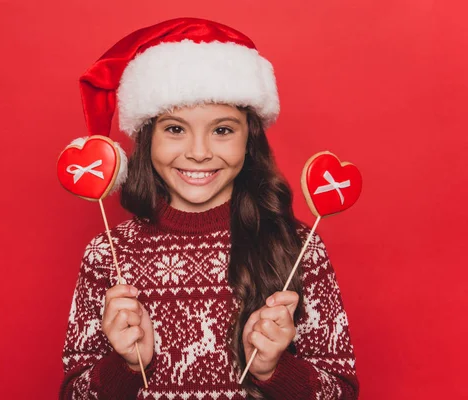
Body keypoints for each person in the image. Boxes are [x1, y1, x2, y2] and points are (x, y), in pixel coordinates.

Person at [59, 17, 359, 400]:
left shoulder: (300, 248)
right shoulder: (107, 255)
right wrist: (126, 366)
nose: (199, 153)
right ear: (146, 138)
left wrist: (275, 370)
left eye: (222, 130)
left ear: (248, 141)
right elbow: (73, 394)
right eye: (175, 129)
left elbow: (343, 393)